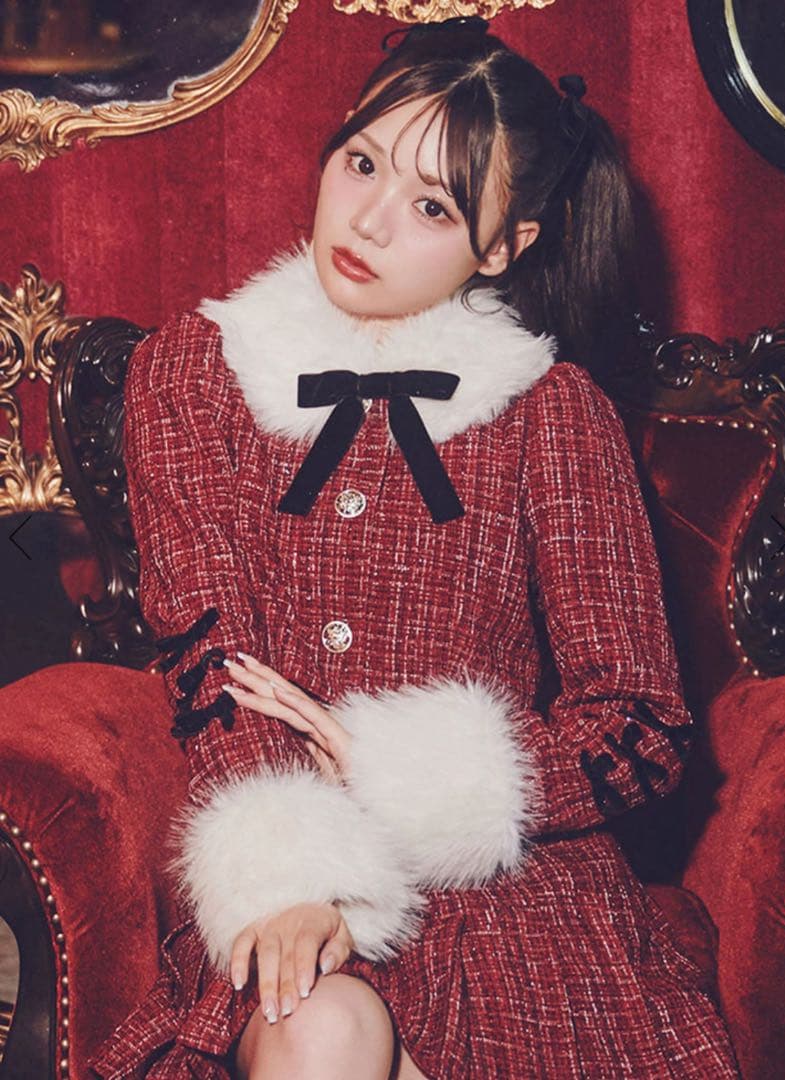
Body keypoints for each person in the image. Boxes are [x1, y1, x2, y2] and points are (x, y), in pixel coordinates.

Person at [89, 16, 741, 1080]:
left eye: (432, 205)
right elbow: (207, 653)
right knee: (318, 1025)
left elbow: (640, 725)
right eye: (362, 163)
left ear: (504, 246)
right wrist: (296, 875)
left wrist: (409, 775)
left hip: (512, 902)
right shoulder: (195, 372)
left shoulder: (553, 414)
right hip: (275, 862)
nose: (369, 220)